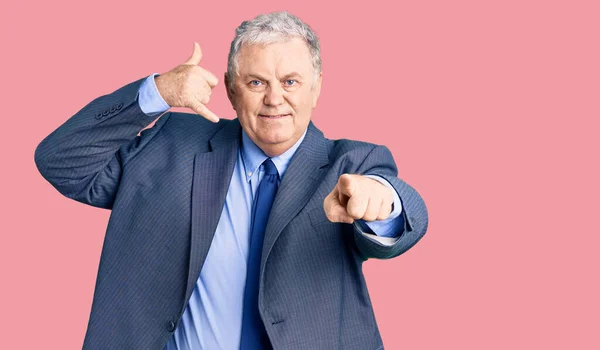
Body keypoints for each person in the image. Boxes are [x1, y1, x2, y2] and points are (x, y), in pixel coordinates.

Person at [35, 11, 428, 350]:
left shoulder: (350, 163)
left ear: (316, 87)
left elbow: (408, 216)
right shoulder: (170, 143)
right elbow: (61, 161)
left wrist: (381, 202)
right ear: (230, 89)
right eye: (257, 83)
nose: (274, 99)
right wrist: (157, 93)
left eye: (290, 81)